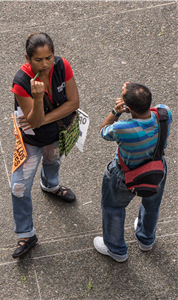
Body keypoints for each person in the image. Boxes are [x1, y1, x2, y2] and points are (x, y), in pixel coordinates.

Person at [11, 32, 79, 258]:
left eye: (49, 57)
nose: (46, 64)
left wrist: (45, 119)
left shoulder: (63, 66)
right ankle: (26, 233)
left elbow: (74, 102)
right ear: (27, 59)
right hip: (31, 140)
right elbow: (34, 122)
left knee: (53, 161)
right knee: (18, 188)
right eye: (38, 60)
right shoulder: (21, 82)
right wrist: (38, 98)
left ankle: (50, 186)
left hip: (57, 134)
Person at [93, 82, 172, 262]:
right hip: (157, 169)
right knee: (152, 205)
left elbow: (103, 131)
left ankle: (116, 249)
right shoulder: (164, 113)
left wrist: (116, 112)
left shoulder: (122, 129)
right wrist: (133, 95)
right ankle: (146, 239)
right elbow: (151, 106)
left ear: (128, 108)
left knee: (113, 208)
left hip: (125, 175)